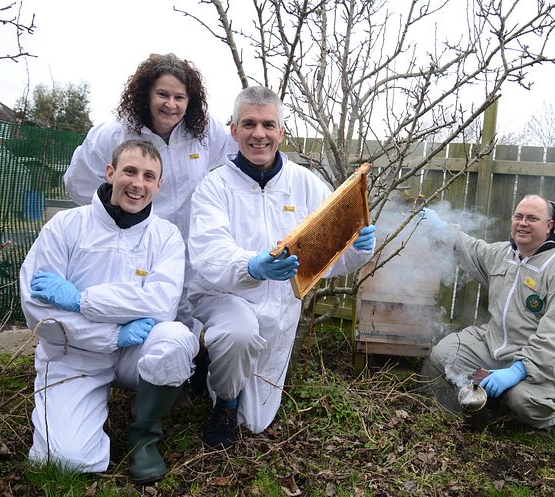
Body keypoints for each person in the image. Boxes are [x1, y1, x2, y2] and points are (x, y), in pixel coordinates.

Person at [187, 86, 377, 449]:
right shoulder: (214, 186)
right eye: (249, 124)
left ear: (281, 132)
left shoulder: (304, 184)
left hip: (281, 308)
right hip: (226, 298)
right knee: (238, 337)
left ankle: (213, 371)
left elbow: (329, 255)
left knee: (256, 421)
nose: (259, 133)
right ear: (234, 131)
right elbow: (209, 253)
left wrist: (357, 250)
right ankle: (223, 404)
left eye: (268, 125)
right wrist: (251, 266)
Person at [21, 140, 199, 483]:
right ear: (110, 172)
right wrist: (111, 333)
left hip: (134, 350)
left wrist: (80, 300)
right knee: (66, 460)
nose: (138, 184)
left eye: (149, 176)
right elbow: (39, 311)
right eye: (130, 171)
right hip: (73, 353)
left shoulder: (165, 236)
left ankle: (144, 437)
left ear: (158, 185)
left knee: (176, 338)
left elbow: (162, 304)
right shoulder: (65, 226)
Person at [63, 53, 237, 329]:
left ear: (190, 101)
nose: (171, 105)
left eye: (179, 97)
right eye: (162, 95)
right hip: (137, 247)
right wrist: (116, 222)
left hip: (191, 248)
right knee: (141, 320)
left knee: (189, 328)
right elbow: (78, 182)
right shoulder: (115, 134)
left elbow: (236, 161)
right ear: (146, 94)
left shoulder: (205, 133)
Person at [423, 194, 555, 430]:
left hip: (539, 360)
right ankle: (487, 399)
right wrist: (440, 227)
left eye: (532, 218)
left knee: (523, 399)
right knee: (445, 353)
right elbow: (472, 249)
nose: (523, 223)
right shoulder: (503, 254)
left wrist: (519, 370)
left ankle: (551, 422)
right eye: (518, 216)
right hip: (494, 345)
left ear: (549, 226)